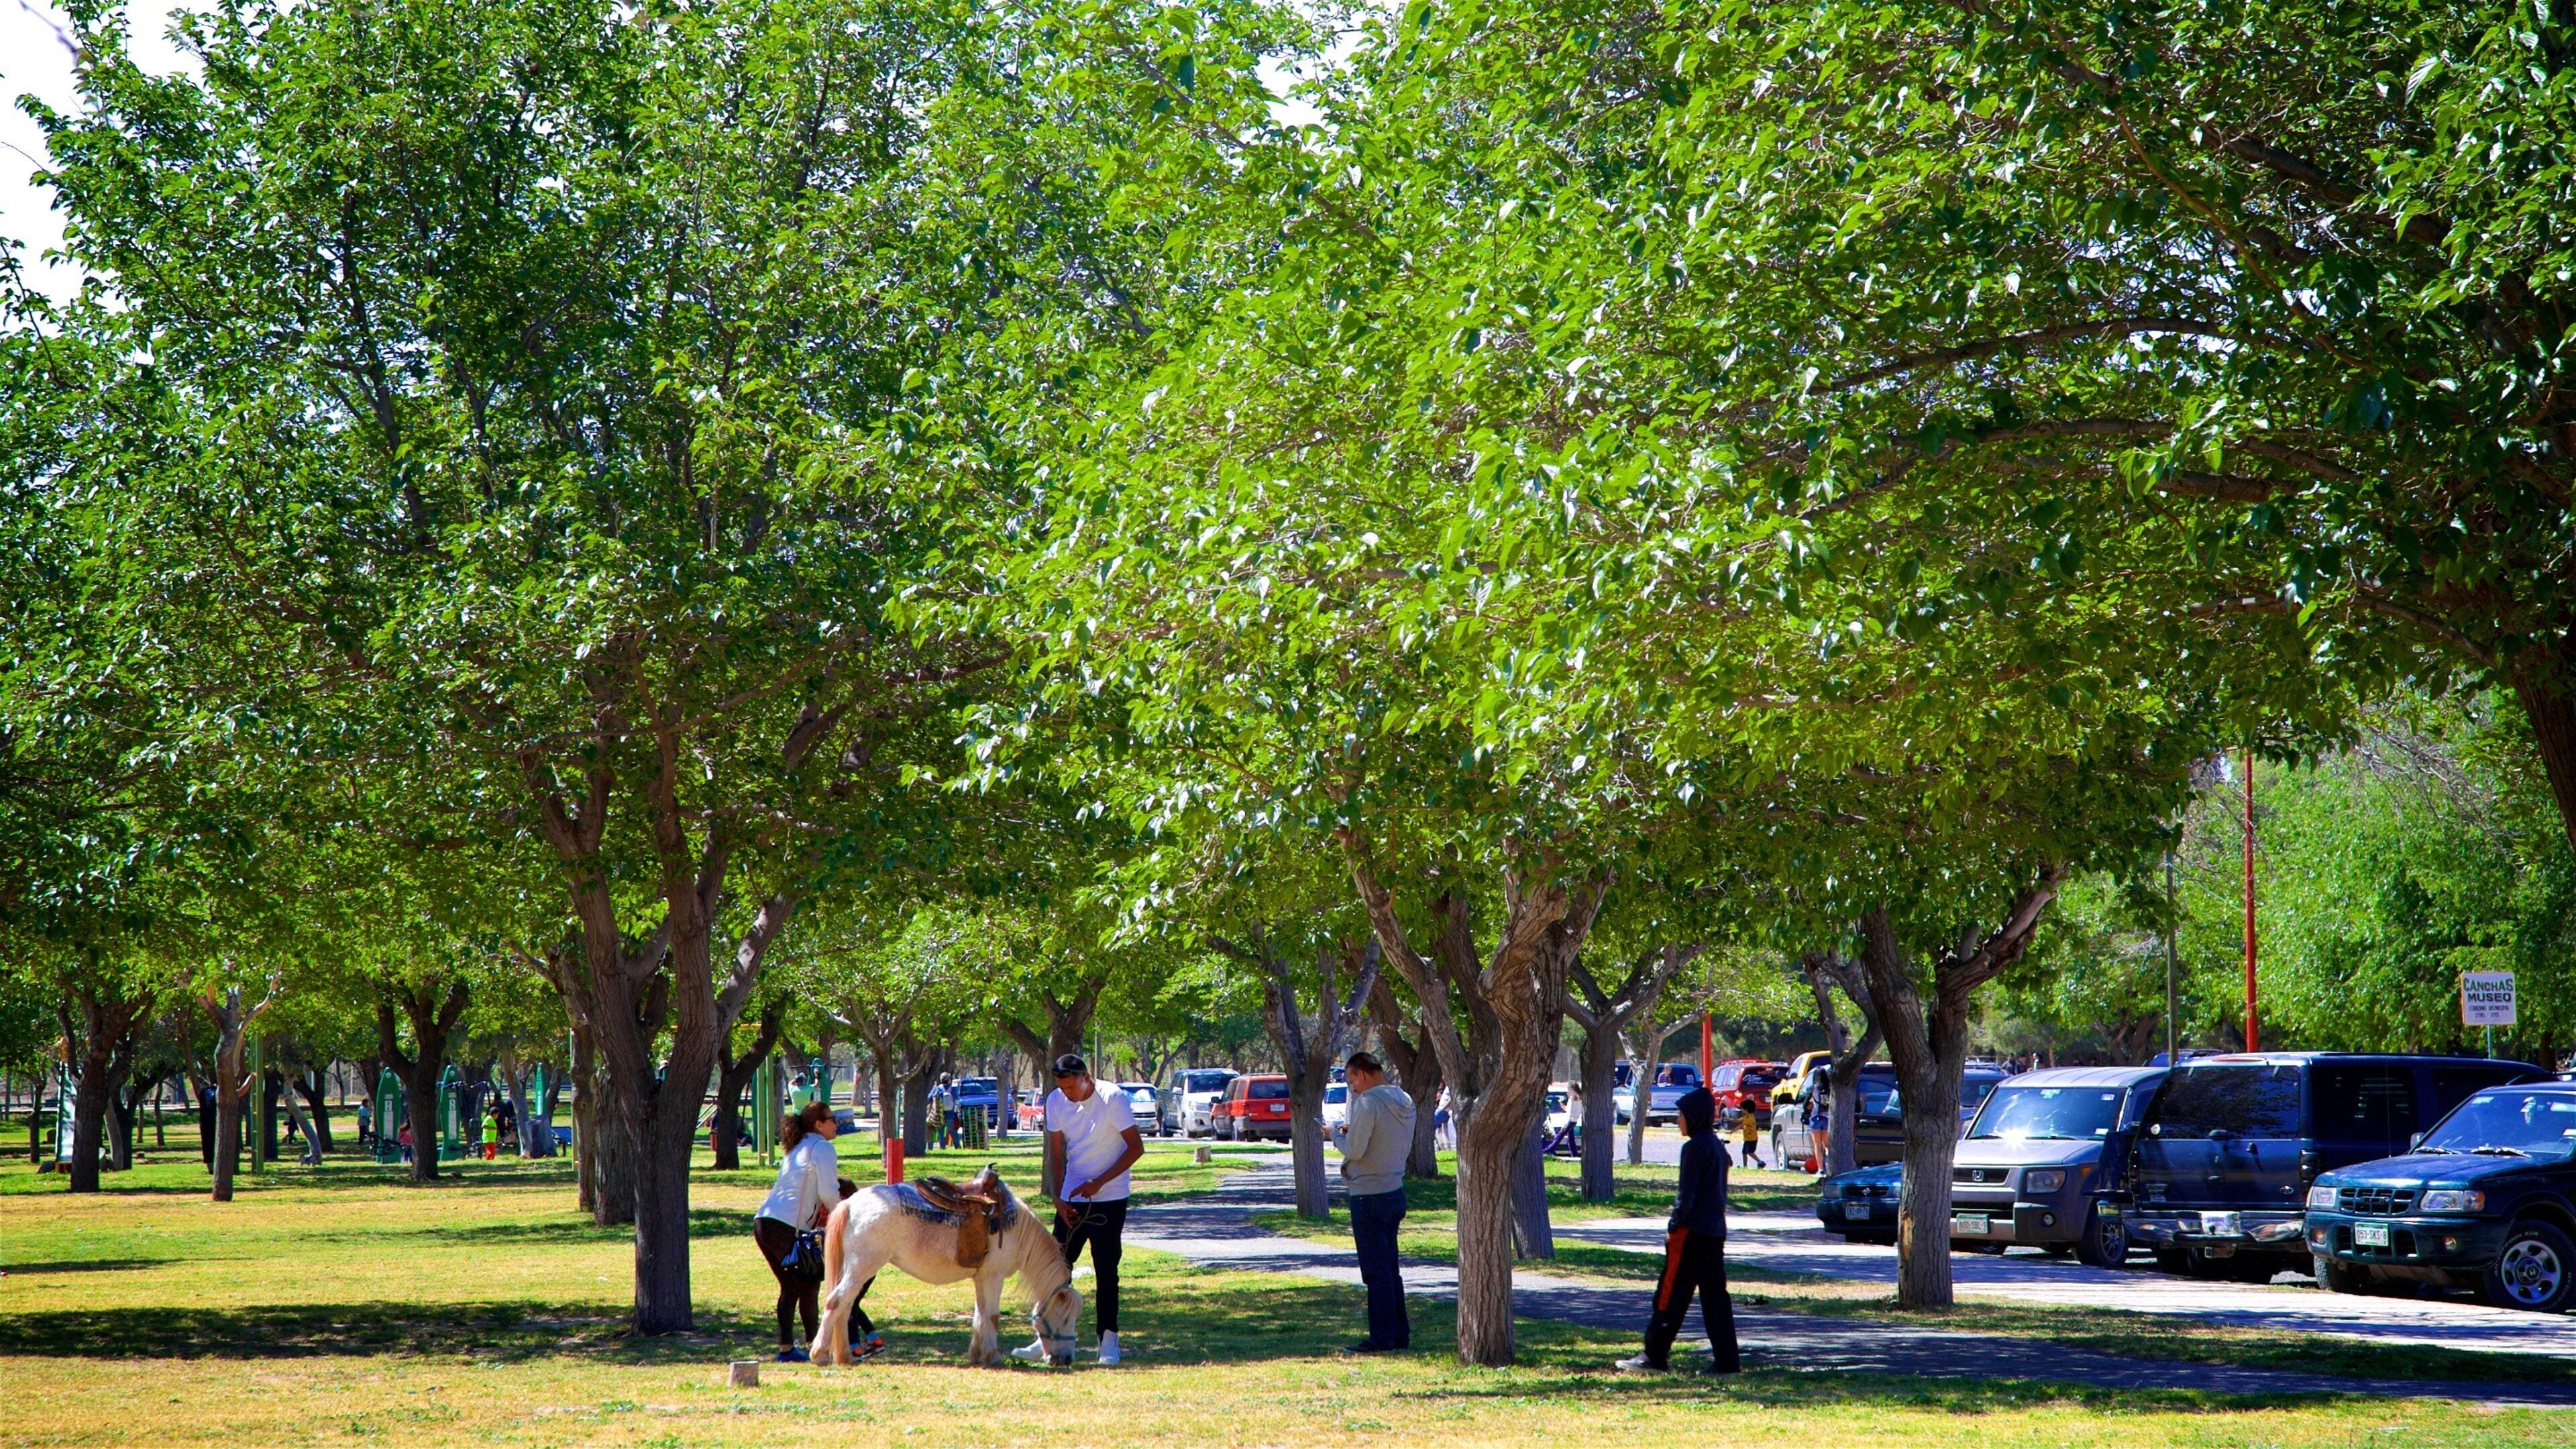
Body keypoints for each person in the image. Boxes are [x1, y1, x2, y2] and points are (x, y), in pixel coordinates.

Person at [1014, 1054, 1144, 1365]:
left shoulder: (1112, 1098)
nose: (1067, 1094)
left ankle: (1108, 1340)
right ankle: (1045, 1338)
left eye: (1072, 1087)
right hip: (1072, 1196)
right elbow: (1057, 1154)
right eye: (1062, 1088)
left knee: (1106, 1269)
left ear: (1086, 1076)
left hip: (1109, 1197)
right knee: (1057, 1271)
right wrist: (1059, 1197)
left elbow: (1136, 1147)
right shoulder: (1056, 1102)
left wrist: (1099, 1183)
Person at [1618, 1086, 1740, 1375]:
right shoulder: (1717, 1148)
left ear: (1694, 1116)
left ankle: (1654, 1355)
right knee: (1715, 1301)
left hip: (1690, 1234)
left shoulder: (1694, 1148)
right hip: (1714, 1233)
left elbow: (1687, 1197)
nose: (1677, 1121)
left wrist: (1673, 1226)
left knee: (1669, 1295)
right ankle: (1727, 1362)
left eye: (1681, 1115)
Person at [754, 1101, 866, 1363]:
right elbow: (828, 1192)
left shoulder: (797, 1147)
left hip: (763, 1221)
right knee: (808, 1285)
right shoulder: (823, 1147)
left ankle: (789, 1349)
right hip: (783, 1225)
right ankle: (816, 1345)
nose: (836, 1124)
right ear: (819, 1124)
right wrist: (846, 1219)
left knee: (792, 1287)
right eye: (831, 1119)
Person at [1331, 1052, 1415, 1354]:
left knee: (1375, 1272)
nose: (1352, 1087)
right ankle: (1398, 1335)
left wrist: (1333, 1135)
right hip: (1395, 1190)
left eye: (1352, 1080)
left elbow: (1354, 1151)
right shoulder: (1404, 1099)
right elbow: (1382, 1139)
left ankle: (1380, 1339)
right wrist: (1352, 1132)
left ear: (1363, 1074)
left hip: (1368, 1194)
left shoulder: (1368, 1102)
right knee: (1390, 1270)